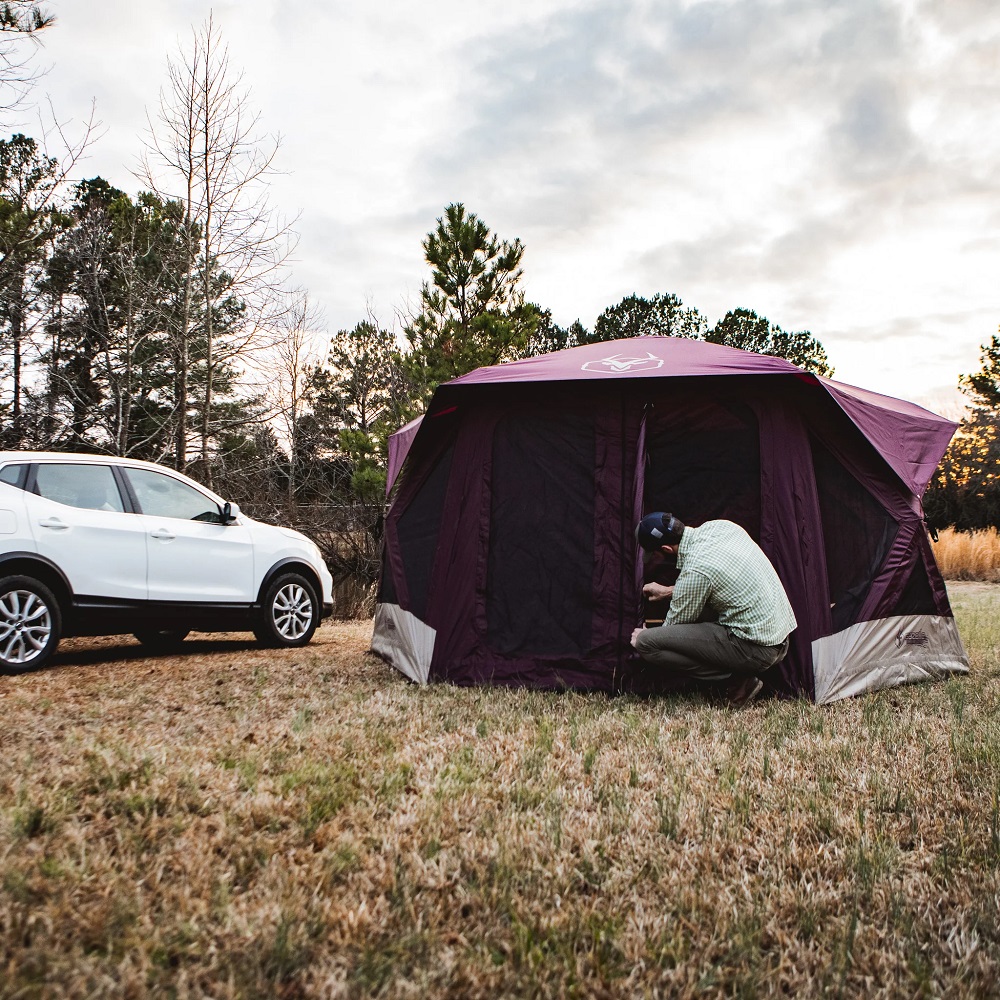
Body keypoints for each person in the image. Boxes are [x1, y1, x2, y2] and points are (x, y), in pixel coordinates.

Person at [631, 512, 797, 706]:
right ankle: (740, 675)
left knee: (647, 643)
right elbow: (721, 580)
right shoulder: (721, 527)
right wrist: (669, 591)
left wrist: (646, 634)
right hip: (780, 637)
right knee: (700, 606)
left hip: (758, 650)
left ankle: (738, 680)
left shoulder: (695, 570)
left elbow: (672, 631)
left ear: (666, 549)